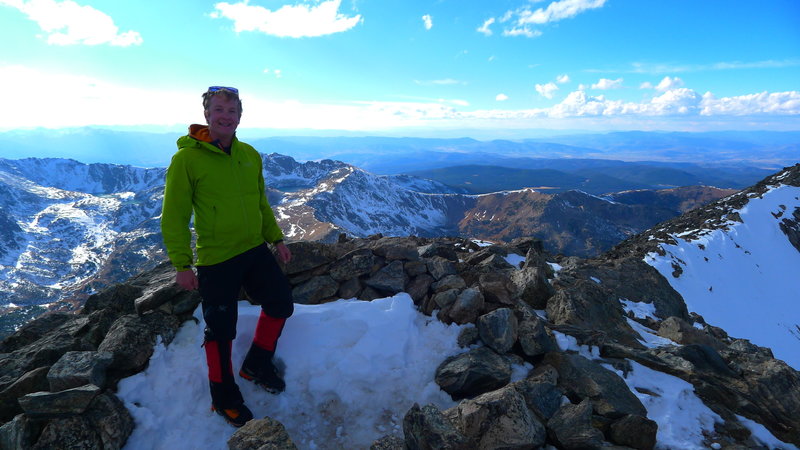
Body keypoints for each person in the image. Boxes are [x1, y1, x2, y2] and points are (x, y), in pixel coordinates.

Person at [161, 86, 294, 427]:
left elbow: (260, 203)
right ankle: (223, 397)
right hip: (216, 258)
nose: (225, 116)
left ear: (239, 117)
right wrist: (181, 264)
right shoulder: (186, 159)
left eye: (232, 111)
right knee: (220, 331)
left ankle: (256, 365)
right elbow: (174, 214)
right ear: (206, 115)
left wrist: (275, 238)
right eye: (218, 109)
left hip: (253, 248)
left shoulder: (249, 154)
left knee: (280, 303)